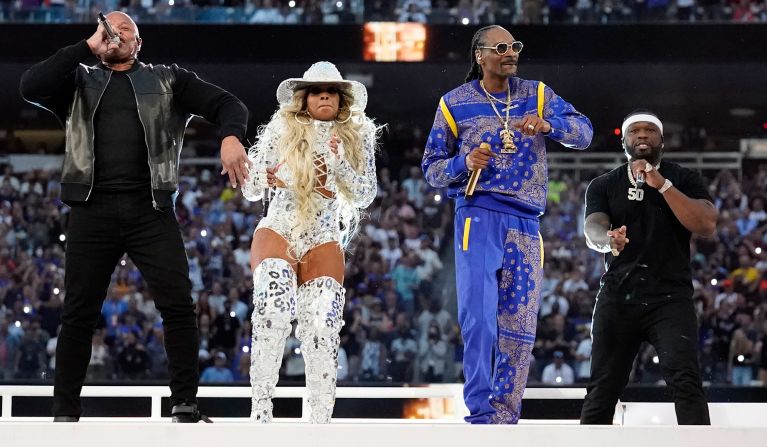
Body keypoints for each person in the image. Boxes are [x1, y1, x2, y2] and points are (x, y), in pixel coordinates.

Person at [19, 11, 249, 422]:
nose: (114, 33)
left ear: (138, 43)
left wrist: (231, 136)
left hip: (151, 208)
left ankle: (185, 403)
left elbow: (227, 103)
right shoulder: (77, 80)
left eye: (125, 29)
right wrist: (87, 47)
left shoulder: (167, 79)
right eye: (107, 28)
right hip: (92, 209)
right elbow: (30, 85)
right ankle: (65, 412)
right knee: (78, 312)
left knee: (178, 305)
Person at [421, 25, 592, 424]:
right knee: (480, 318)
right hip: (477, 215)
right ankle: (481, 413)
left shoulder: (538, 94)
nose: (510, 52)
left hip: (526, 220)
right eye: (500, 47)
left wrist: (551, 126)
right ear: (479, 55)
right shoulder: (454, 102)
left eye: (514, 45)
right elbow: (431, 169)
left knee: (520, 322)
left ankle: (505, 416)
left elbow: (584, 132)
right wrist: (464, 164)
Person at [241, 61, 379, 423]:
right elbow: (251, 185)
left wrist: (338, 165)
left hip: (323, 231)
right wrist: (263, 176)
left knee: (322, 325)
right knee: (272, 309)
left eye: (331, 91)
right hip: (281, 225)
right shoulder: (281, 126)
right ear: (303, 98)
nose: (324, 96)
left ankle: (319, 423)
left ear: (341, 98)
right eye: (317, 91)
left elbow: (365, 194)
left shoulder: (359, 134)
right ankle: (260, 413)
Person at [580, 110, 715, 425]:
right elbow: (593, 229)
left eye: (650, 131)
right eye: (635, 131)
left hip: (670, 298)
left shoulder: (684, 178)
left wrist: (663, 185)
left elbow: (706, 223)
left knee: (685, 382)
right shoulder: (603, 184)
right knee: (602, 388)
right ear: (624, 141)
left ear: (662, 141)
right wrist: (608, 239)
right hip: (618, 296)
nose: (642, 135)